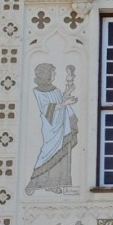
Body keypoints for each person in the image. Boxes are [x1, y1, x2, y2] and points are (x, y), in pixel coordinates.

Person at [25, 63, 78, 194]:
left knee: (61, 153)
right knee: (47, 152)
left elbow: (60, 100)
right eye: (52, 72)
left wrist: (68, 96)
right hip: (51, 127)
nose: (54, 74)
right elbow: (47, 109)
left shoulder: (55, 89)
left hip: (61, 125)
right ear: (46, 75)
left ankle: (53, 184)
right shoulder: (38, 91)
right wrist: (65, 103)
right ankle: (33, 183)